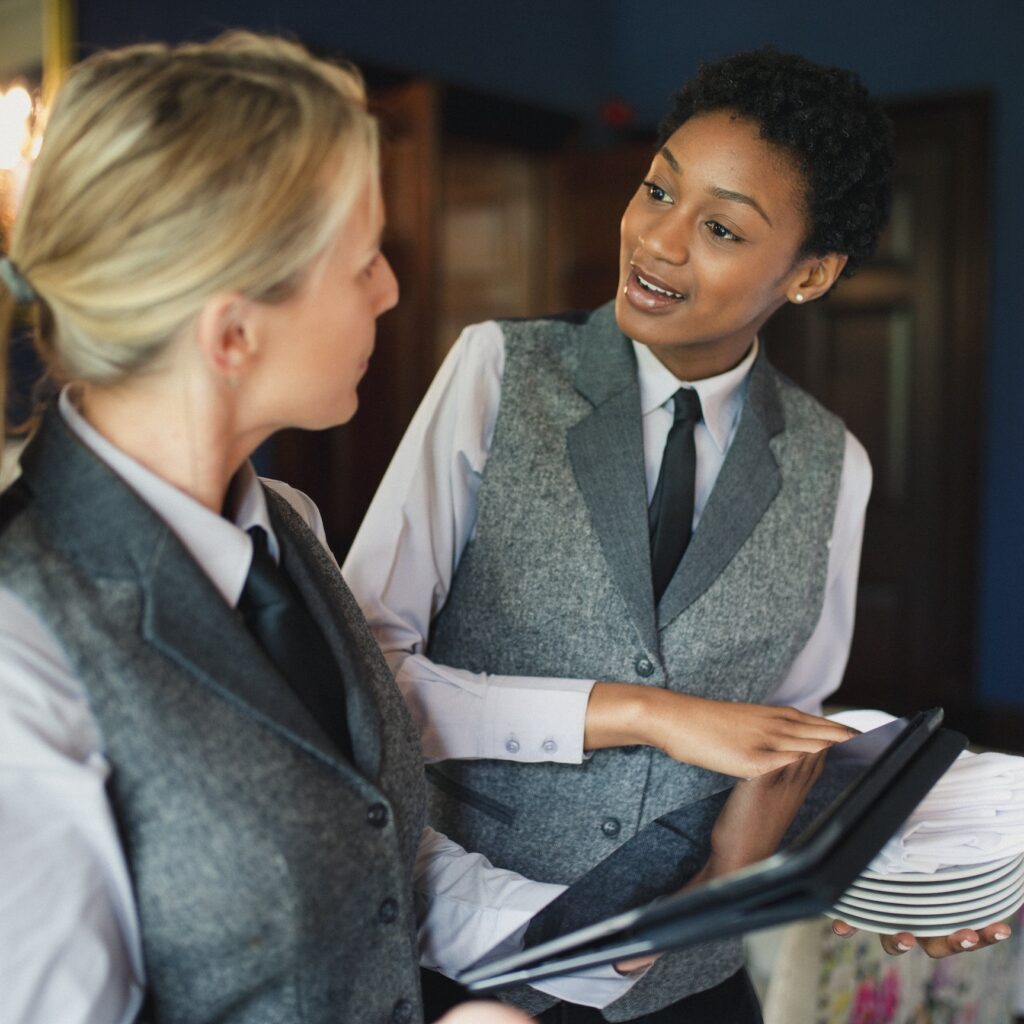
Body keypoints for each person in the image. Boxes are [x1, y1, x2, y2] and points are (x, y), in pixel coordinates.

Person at [0, 33, 658, 1024]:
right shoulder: (21, 650)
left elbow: (370, 863)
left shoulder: (287, 529)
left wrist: (610, 929)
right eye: (363, 263)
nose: (390, 290)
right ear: (233, 333)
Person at [343, 48, 1011, 1022]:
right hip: (464, 959)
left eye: (721, 227)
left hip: (693, 983)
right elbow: (364, 682)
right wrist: (640, 711)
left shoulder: (835, 465)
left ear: (811, 273)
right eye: (658, 188)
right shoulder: (497, 373)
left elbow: (787, 745)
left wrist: (909, 880)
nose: (656, 239)